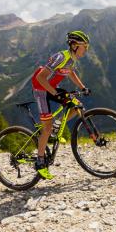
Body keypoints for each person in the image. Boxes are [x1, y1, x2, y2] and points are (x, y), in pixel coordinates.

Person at [31, 31, 91, 179]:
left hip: (51, 88)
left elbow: (71, 73)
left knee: (77, 106)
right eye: (85, 47)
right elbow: (40, 77)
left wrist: (83, 87)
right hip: (41, 88)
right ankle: (39, 161)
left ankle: (57, 124)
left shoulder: (71, 59)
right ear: (75, 45)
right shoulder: (61, 57)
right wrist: (54, 92)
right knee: (47, 127)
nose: (86, 50)